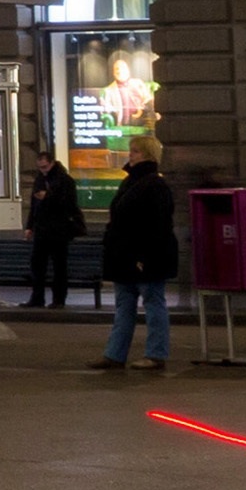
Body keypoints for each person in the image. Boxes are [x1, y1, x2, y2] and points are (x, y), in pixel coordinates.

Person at [96, 137, 179, 372]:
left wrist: (145, 256)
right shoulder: (132, 182)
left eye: (135, 152)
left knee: (153, 304)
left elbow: (157, 225)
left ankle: (155, 355)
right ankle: (114, 354)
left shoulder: (154, 184)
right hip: (124, 255)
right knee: (124, 305)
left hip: (144, 256)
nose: (130, 155)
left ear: (148, 155)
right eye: (131, 150)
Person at [24, 152, 86, 310]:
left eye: (45, 167)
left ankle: (58, 299)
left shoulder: (64, 180)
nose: (43, 170)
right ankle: (37, 298)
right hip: (42, 228)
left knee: (59, 266)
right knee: (38, 265)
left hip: (59, 230)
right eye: (40, 167)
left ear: (52, 163)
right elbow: (34, 206)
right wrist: (30, 226)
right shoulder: (40, 179)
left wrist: (48, 197)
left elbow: (68, 204)